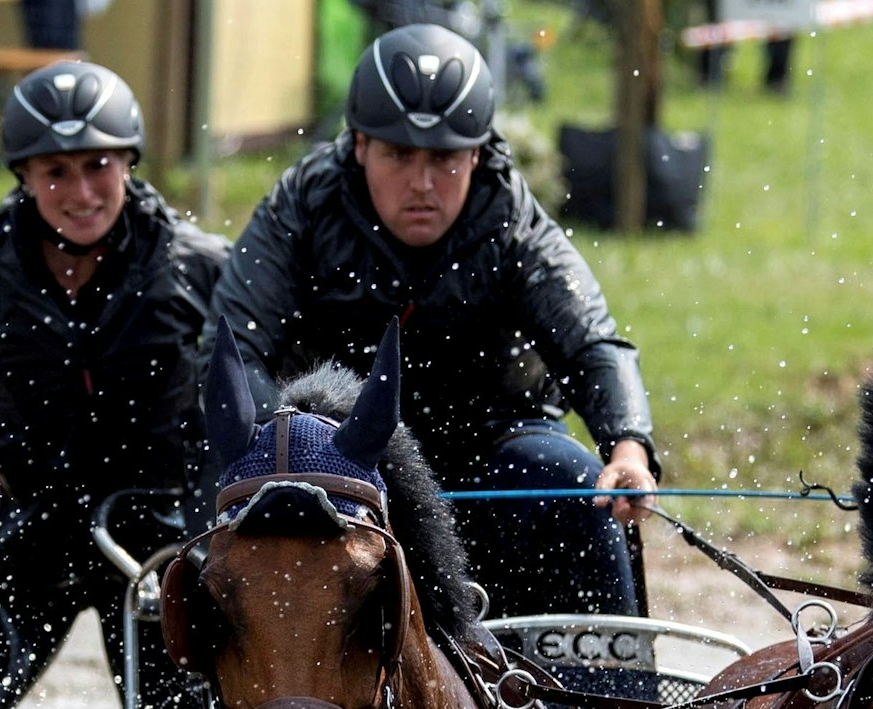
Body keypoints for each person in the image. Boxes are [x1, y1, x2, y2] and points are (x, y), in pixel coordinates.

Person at [208, 22, 659, 620]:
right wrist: (279, 455)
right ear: (360, 145)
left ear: (476, 152)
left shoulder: (512, 217)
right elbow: (232, 350)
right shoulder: (303, 204)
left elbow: (592, 343)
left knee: (570, 475)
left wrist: (628, 447)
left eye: (444, 159)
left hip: (493, 450)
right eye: (399, 156)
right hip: (336, 460)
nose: (422, 184)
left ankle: (621, 705)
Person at [0, 61, 226, 709]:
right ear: (24, 177)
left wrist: (223, 530)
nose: (81, 193)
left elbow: (259, 391)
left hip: (154, 552)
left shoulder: (197, 269)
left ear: (129, 162)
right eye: (56, 172)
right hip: (21, 538)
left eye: (99, 166)